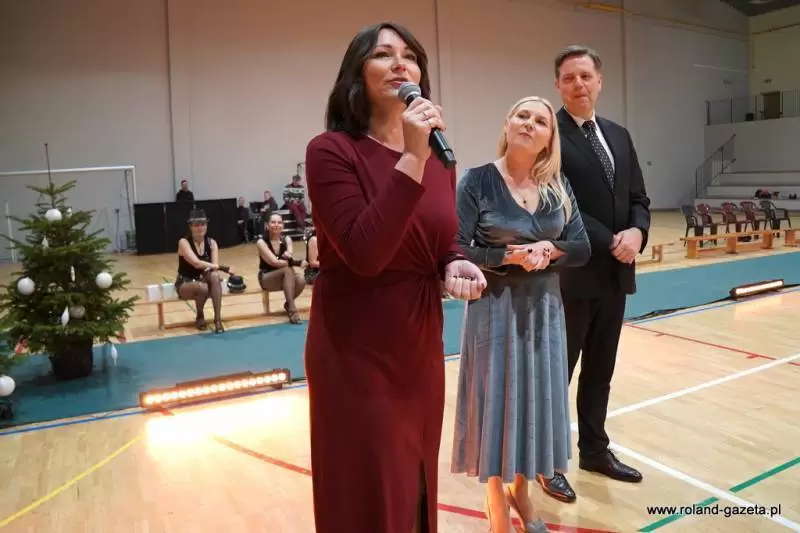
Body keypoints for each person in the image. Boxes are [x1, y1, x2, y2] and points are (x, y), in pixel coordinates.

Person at [303, 21, 487, 533]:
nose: (400, 64)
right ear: (357, 73)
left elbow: (440, 238)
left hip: (419, 344)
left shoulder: (438, 158)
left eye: (410, 56)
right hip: (356, 349)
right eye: (383, 54)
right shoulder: (331, 151)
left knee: (415, 485)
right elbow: (365, 252)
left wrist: (454, 262)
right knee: (371, 490)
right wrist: (411, 156)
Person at [451, 96, 591, 533]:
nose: (529, 123)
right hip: (493, 308)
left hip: (544, 309)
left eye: (541, 121)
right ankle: (495, 496)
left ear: (550, 138)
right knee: (497, 402)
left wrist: (551, 248)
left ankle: (521, 491)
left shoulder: (558, 186)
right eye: (522, 115)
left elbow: (582, 248)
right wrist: (505, 257)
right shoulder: (476, 180)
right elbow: (457, 248)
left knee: (532, 403)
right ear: (507, 124)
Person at [537, 45, 651, 503]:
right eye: (569, 78)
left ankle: (594, 450)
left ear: (599, 81)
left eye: (585, 76)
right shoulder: (550, 134)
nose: (578, 84)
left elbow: (639, 197)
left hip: (616, 274)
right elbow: (558, 200)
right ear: (557, 85)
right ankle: (545, 461)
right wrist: (613, 240)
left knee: (600, 369)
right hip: (573, 275)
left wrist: (638, 233)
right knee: (557, 373)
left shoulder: (619, 135)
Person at [174, 209, 234, 333]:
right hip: (186, 283)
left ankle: (217, 319)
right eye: (196, 225)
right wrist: (223, 268)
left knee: (215, 277)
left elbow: (214, 268)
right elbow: (197, 263)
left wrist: (217, 271)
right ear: (190, 227)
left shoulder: (212, 243)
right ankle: (200, 315)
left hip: (203, 279)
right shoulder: (183, 242)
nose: (200, 227)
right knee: (203, 288)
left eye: (203, 224)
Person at [255, 213, 306, 324]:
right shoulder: (261, 242)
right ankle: (292, 310)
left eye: (279, 222)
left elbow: (289, 259)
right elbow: (275, 262)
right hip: (267, 277)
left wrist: (290, 261)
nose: (276, 225)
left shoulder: (287, 239)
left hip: (285, 278)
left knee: (301, 280)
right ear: (267, 225)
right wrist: (296, 262)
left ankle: (288, 304)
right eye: (273, 222)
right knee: (287, 270)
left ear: (283, 225)